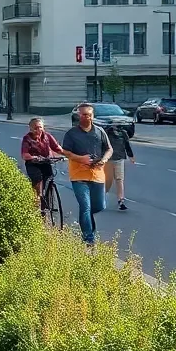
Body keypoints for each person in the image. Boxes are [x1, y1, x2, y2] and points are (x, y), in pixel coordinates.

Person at [62, 103, 113, 247]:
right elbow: (65, 152)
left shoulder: (100, 131)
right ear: (79, 115)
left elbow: (109, 149)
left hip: (97, 174)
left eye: (89, 115)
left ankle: (86, 223)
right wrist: (80, 158)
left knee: (99, 206)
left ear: (93, 116)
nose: (87, 117)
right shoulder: (71, 134)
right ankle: (89, 239)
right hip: (79, 175)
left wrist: (104, 160)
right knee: (85, 206)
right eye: (84, 114)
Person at [20, 117, 64, 211]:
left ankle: (46, 201)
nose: (38, 130)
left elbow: (57, 148)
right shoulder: (27, 138)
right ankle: (36, 199)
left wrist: (67, 155)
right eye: (35, 128)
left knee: (49, 177)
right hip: (33, 164)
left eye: (40, 127)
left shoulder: (47, 136)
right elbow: (24, 154)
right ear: (30, 129)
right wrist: (33, 157)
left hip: (45, 161)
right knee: (38, 179)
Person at [104, 123, 135, 211]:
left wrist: (131, 156)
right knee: (109, 180)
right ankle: (102, 197)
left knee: (119, 179)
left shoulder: (122, 133)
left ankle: (121, 200)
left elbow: (127, 145)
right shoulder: (106, 133)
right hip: (109, 160)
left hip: (119, 159)